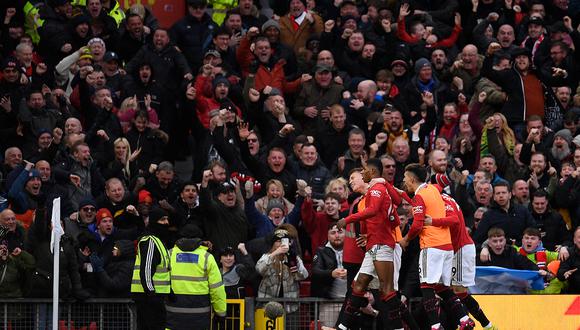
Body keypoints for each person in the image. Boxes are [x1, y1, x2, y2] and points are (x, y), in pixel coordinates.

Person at [399, 164, 474, 330]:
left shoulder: (420, 197)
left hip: (431, 246)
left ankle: (435, 325)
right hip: (446, 247)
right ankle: (463, 319)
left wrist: (406, 239)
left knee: (426, 286)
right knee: (442, 287)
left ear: (411, 178)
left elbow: (417, 224)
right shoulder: (433, 190)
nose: (404, 181)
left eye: (405, 178)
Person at [336, 159, 407, 330]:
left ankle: (399, 328)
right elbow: (395, 214)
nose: (362, 173)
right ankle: (342, 327)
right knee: (358, 285)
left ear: (372, 172)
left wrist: (347, 219)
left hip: (382, 245)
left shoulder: (376, 189)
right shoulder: (377, 190)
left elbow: (374, 210)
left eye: (364, 170)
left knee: (387, 292)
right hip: (374, 245)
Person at [165, 224, 226, 330]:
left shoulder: (169, 254)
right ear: (199, 238)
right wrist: (221, 313)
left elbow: (160, 282)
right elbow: (217, 289)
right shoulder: (207, 257)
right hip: (200, 316)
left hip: (173, 314)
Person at [131, 208, 171, 330]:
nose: (166, 223)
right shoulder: (150, 241)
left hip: (153, 295)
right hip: (148, 297)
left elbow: (163, 270)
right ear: (154, 221)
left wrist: (170, 290)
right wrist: (151, 293)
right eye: (162, 219)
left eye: (167, 219)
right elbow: (146, 270)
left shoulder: (158, 241)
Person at [311, 223, 347, 327]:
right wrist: (331, 273)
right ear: (328, 236)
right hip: (329, 303)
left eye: (340, 232)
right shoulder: (321, 251)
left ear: (346, 234)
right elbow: (315, 271)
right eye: (333, 233)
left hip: (350, 302)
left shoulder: (353, 251)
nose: (337, 235)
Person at [557, 227, 580, 294]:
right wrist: (565, 274)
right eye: (579, 237)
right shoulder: (568, 253)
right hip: (574, 293)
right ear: (574, 240)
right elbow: (560, 274)